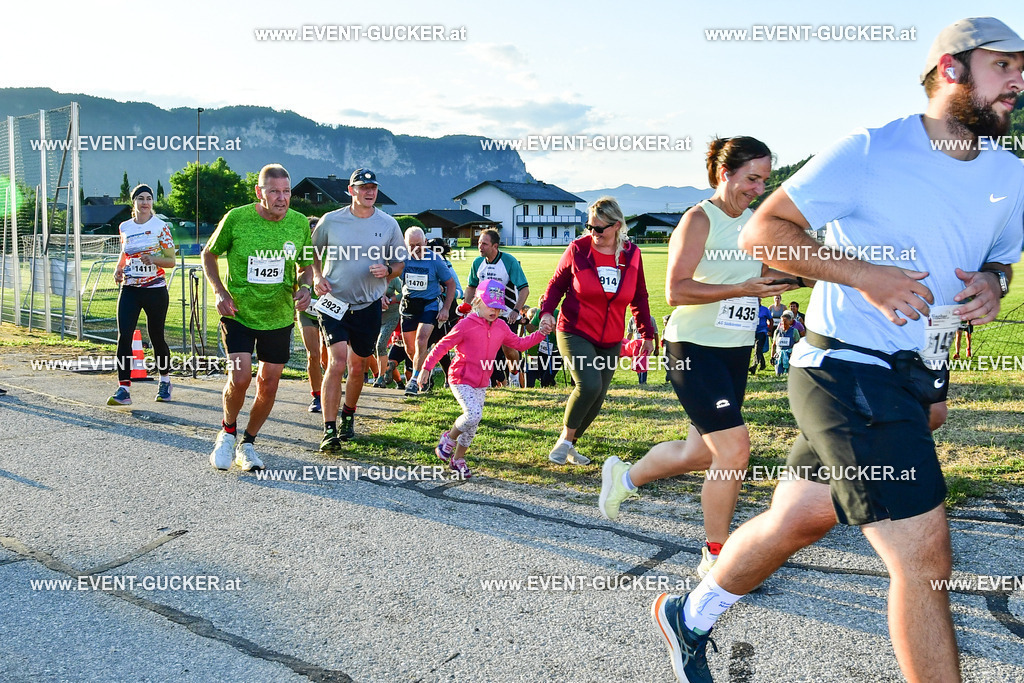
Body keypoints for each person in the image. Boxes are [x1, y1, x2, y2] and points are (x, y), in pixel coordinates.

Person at [651, 19, 1023, 682]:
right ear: (951, 69)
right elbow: (764, 231)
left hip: (917, 374)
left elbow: (1001, 258)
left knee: (797, 518)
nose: (1018, 81)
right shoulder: (872, 150)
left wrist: (994, 283)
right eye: (1004, 65)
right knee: (923, 559)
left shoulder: (1009, 172)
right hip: (845, 369)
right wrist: (865, 274)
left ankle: (690, 613)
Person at [597, 137, 798, 581]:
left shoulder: (755, 223)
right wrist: (741, 289)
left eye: (764, 181)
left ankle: (624, 478)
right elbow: (676, 289)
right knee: (734, 449)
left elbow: (765, 274)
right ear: (725, 174)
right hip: (693, 349)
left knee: (699, 453)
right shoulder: (698, 219)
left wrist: (833, 276)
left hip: (735, 350)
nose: (759, 189)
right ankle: (716, 554)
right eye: (752, 179)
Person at [203, 164, 313, 471]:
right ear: (259, 192)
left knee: (269, 383)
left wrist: (305, 287)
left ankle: (247, 443)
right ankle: (227, 432)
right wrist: (220, 292)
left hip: (278, 316)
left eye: (286, 191)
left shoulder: (299, 223)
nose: (282, 198)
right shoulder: (237, 218)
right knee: (240, 378)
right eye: (274, 191)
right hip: (238, 312)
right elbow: (209, 253)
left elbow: (306, 265)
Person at [540, 196, 656, 466]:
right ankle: (564, 440)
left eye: (599, 228)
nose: (593, 232)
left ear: (616, 226)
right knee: (589, 385)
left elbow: (639, 296)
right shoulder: (578, 249)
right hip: (575, 330)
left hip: (611, 337)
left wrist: (646, 334)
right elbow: (556, 284)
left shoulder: (632, 254)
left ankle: (570, 445)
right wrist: (546, 311)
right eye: (589, 226)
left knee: (598, 396)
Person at [313, 168, 406, 451]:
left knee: (357, 366)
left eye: (373, 187)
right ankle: (329, 429)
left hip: (368, 305)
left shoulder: (388, 224)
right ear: (351, 191)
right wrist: (317, 276)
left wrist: (388, 270)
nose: (369, 192)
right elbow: (311, 252)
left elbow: (400, 263)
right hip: (335, 302)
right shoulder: (331, 220)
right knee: (337, 361)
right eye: (363, 187)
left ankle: (348, 415)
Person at [422, 279, 553, 478]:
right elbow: (443, 345)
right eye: (490, 305)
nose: (495, 311)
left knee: (473, 425)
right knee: (473, 414)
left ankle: (458, 460)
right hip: (461, 377)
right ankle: (448, 438)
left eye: (498, 307)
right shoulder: (466, 324)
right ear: (477, 302)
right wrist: (426, 367)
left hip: (481, 382)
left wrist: (541, 333)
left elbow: (520, 344)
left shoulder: (501, 326)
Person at [107, 184, 177, 406]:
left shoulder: (160, 227)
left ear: (152, 202)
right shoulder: (125, 226)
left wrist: (153, 259)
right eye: (140, 198)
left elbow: (171, 261)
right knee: (124, 337)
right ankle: (124, 388)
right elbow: (124, 252)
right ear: (134, 202)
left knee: (156, 337)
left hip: (155, 290)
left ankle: (165, 381)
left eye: (148, 198)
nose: (145, 202)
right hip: (130, 289)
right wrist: (118, 269)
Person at [465, 228, 530, 387]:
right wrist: (467, 308)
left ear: (495, 246)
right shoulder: (477, 263)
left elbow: (524, 289)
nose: (480, 246)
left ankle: (514, 375)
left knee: (508, 349)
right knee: (483, 348)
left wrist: (516, 310)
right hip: (483, 314)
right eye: (479, 243)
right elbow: (471, 286)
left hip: (507, 314)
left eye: (484, 244)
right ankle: (487, 380)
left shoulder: (509, 261)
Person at [400, 227, 456, 397]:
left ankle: (414, 381)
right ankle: (424, 375)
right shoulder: (401, 259)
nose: (416, 249)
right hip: (409, 305)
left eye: (419, 244)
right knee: (411, 349)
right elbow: (388, 277)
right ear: (405, 244)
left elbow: (451, 284)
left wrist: (445, 308)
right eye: (411, 245)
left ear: (425, 242)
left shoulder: (435, 260)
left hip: (430, 305)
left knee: (421, 340)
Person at [425, 236, 465, 388]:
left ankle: (447, 379)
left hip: (446, 315)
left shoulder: (447, 267)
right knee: (426, 345)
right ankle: (427, 380)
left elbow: (460, 292)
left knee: (439, 346)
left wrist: (444, 291)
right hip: (429, 311)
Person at [299, 216, 327, 413]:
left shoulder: (333, 251)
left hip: (329, 308)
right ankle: (317, 396)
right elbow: (296, 274)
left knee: (328, 357)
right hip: (307, 309)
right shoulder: (302, 251)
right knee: (313, 354)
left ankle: (330, 387)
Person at [371, 276, 404, 388]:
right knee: (374, 347)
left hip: (391, 316)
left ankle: (380, 378)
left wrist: (390, 300)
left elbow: (405, 292)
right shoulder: (367, 276)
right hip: (374, 316)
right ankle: (394, 379)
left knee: (381, 344)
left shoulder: (393, 278)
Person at [772, 310, 801, 375]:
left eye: (785, 321)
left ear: (790, 322)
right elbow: (774, 345)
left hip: (790, 356)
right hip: (779, 356)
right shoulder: (777, 331)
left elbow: (798, 344)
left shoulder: (794, 331)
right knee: (778, 374)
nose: (783, 323)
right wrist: (772, 356)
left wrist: (794, 354)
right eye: (782, 321)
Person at [749, 299, 772, 375]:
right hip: (752, 331)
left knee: (758, 348)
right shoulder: (750, 308)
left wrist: (769, 330)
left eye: (758, 299)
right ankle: (763, 364)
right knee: (757, 348)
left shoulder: (765, 310)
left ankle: (754, 366)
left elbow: (771, 320)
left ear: (760, 300)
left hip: (762, 331)